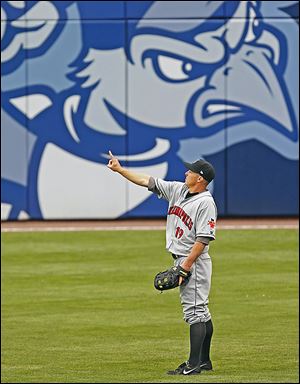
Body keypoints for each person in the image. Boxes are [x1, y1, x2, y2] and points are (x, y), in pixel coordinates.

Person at [107, 150, 217, 376]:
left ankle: (193, 365)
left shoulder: (206, 203)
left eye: (191, 171)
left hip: (193, 261)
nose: (186, 172)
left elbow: (203, 239)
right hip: (184, 259)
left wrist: (184, 267)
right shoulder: (178, 190)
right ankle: (204, 361)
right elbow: (146, 181)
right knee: (202, 312)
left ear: (200, 178)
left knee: (194, 312)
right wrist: (120, 170)